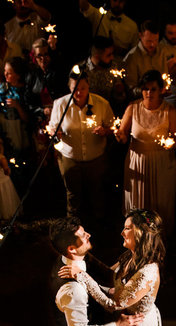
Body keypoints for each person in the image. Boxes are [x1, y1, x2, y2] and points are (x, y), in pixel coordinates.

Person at [46, 70, 115, 225]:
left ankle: (100, 225)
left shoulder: (101, 104)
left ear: (88, 86)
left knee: (97, 192)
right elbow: (52, 128)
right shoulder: (60, 104)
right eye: (75, 88)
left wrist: (105, 131)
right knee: (73, 195)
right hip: (70, 157)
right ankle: (73, 226)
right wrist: (55, 132)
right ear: (69, 88)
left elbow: (114, 128)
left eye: (82, 88)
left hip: (96, 158)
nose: (79, 92)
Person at [116, 71, 176, 230]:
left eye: (153, 89)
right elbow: (123, 136)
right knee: (138, 205)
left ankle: (159, 240)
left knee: (160, 204)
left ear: (161, 90)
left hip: (161, 164)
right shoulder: (133, 107)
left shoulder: (170, 111)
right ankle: (137, 238)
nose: (149, 93)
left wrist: (170, 144)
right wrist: (120, 136)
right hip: (137, 163)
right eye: (145, 89)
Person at [0, 57, 32, 161]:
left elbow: (27, 118)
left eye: (9, 73)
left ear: (18, 75)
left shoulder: (24, 92)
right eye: (5, 71)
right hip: (2, 126)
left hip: (17, 130)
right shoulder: (2, 86)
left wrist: (17, 106)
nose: (5, 74)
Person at [123, 21, 168, 99]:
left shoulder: (161, 51)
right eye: (149, 41)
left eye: (156, 40)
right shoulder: (132, 57)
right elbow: (131, 89)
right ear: (140, 36)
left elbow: (165, 77)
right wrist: (150, 92)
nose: (153, 44)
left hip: (160, 101)